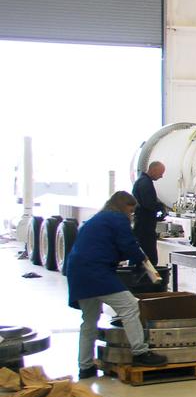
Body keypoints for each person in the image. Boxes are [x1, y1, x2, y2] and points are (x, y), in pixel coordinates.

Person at [64, 191, 167, 379]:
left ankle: (85, 366)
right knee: (130, 305)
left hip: (78, 272)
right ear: (123, 206)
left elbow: (107, 246)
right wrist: (142, 261)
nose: (132, 214)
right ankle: (140, 352)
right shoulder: (117, 218)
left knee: (89, 320)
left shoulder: (99, 218)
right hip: (96, 272)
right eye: (131, 209)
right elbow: (128, 245)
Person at [131, 161, 166, 264]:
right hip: (144, 228)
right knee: (149, 259)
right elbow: (149, 204)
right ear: (153, 170)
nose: (161, 176)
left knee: (142, 258)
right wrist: (161, 207)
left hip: (143, 226)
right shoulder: (145, 183)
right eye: (160, 173)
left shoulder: (143, 181)